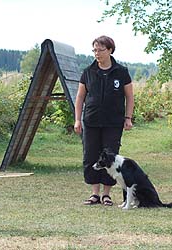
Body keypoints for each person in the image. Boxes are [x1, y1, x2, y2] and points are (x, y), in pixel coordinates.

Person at [74, 35, 134, 206]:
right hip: (91, 120)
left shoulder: (121, 72)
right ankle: (95, 194)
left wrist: (128, 118)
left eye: (100, 50)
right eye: (94, 50)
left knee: (110, 156)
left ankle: (107, 194)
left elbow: (129, 97)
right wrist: (77, 120)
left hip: (113, 122)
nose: (96, 53)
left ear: (109, 50)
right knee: (90, 155)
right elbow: (80, 98)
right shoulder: (88, 72)